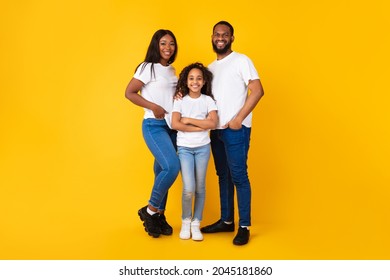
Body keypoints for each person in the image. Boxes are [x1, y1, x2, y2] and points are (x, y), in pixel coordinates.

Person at [200, 21, 264, 245]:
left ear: (232, 38)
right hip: (216, 131)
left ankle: (244, 225)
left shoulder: (241, 60)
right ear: (212, 37)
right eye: (217, 34)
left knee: (239, 176)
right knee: (223, 176)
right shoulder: (209, 68)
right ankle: (226, 221)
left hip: (236, 130)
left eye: (225, 35)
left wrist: (238, 119)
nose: (220, 38)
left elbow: (257, 90)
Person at [125, 29, 180, 238]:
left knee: (161, 172)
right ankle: (149, 210)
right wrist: (153, 106)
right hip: (154, 125)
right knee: (172, 166)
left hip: (171, 126)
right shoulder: (147, 68)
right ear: (156, 45)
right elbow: (129, 92)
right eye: (163, 43)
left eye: (172, 44)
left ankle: (159, 216)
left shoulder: (172, 70)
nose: (168, 48)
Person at [171, 63, 218, 241]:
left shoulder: (208, 100)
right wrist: (200, 125)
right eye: (191, 78)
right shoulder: (180, 100)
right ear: (186, 81)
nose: (195, 81)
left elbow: (212, 123)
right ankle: (185, 221)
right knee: (188, 188)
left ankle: (196, 223)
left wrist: (188, 120)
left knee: (200, 187)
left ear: (204, 81)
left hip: (203, 147)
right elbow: (176, 124)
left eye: (199, 78)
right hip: (184, 148)